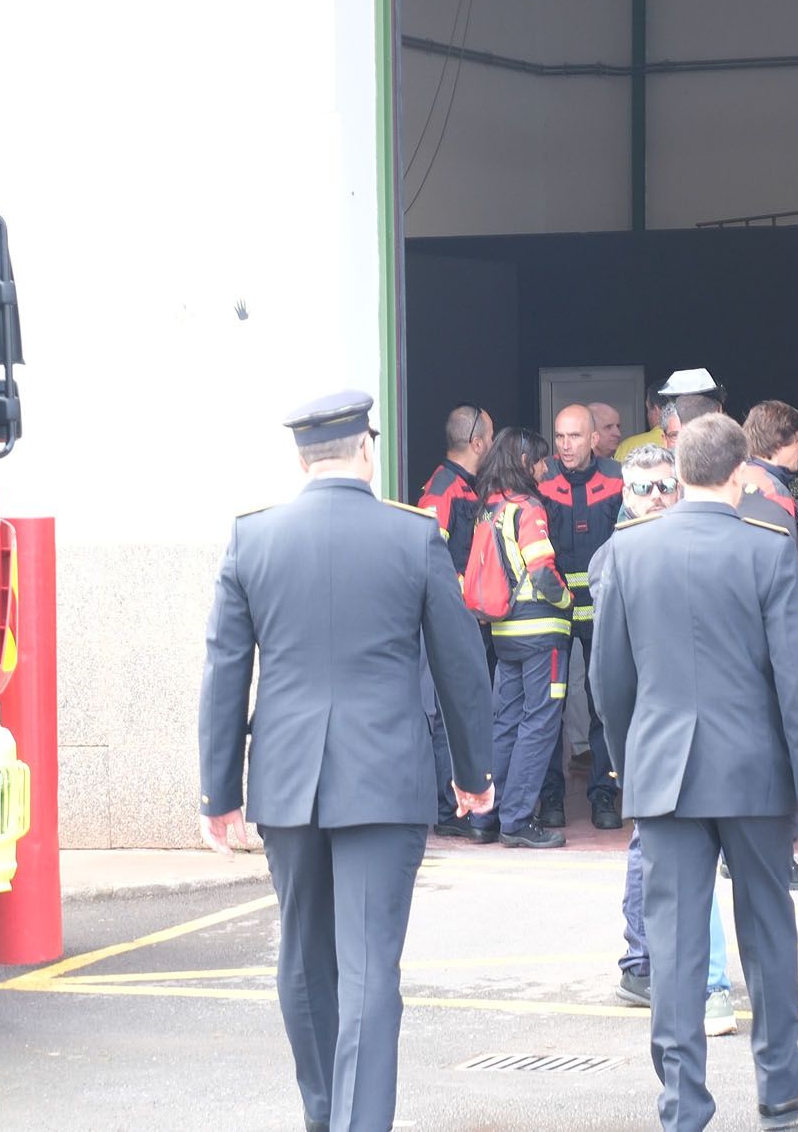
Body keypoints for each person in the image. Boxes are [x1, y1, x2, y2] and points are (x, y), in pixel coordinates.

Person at [199, 390, 494, 1132]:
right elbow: (459, 663)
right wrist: (473, 771)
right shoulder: (412, 534)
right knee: (368, 968)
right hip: (384, 777)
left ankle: (323, 1114)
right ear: (367, 450)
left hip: (286, 778)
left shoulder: (252, 538)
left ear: (302, 459)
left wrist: (218, 793)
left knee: (302, 957)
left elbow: (225, 672)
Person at [591, 413, 798, 1132]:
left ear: (679, 468)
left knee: (671, 943)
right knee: (768, 927)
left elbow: (610, 680)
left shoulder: (627, 550)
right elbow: (795, 678)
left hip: (664, 773)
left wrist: (629, 761)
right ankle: (782, 1083)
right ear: (741, 475)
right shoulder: (765, 546)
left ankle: (683, 1103)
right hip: (754, 772)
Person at [599, 445, 740, 1040]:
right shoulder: (616, 557)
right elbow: (609, 672)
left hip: (699, 733)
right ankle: (649, 965)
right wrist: (625, 757)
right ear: (624, 497)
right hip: (654, 735)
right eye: (643, 489)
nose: (656, 498)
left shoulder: (701, 544)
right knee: (657, 856)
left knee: (672, 858)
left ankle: (675, 974)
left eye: (665, 486)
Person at [735, 400, 798, 892]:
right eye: (797, 439)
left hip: (740, 635)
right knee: (781, 744)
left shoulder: (737, 482)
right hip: (775, 632)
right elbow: (785, 562)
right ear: (778, 440)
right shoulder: (772, 491)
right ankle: (779, 859)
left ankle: (741, 852)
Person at [472, 427, 575, 849]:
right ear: (526, 463)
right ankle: (517, 819)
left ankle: (485, 817)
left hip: (504, 632)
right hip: (540, 632)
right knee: (540, 722)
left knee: (505, 722)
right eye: (540, 460)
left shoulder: (489, 509)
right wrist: (566, 600)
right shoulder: (528, 508)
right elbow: (540, 570)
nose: (545, 466)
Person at [535, 403, 628, 831]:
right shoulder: (540, 480)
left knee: (602, 706)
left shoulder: (617, 479)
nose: (565, 445)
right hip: (553, 612)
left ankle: (603, 796)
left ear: (593, 439)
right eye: (559, 437)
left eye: (574, 436)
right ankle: (550, 796)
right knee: (548, 708)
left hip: (603, 611)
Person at [418, 402, 497, 841]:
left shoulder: (466, 486)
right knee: (444, 712)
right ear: (477, 442)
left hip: (466, 620)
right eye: (491, 436)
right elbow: (431, 561)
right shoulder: (442, 491)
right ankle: (447, 808)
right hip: (445, 624)